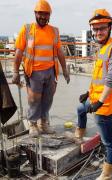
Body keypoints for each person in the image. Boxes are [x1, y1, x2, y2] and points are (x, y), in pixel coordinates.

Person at [74, 9, 112, 180]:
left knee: (109, 142)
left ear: (110, 27)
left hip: (105, 103)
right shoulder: (101, 48)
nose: (98, 32)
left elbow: (110, 79)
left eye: (102, 28)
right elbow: (99, 77)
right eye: (95, 29)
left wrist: (100, 102)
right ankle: (79, 134)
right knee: (80, 108)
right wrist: (88, 93)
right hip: (96, 98)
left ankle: (107, 174)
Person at [12, 0, 70, 137]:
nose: (43, 17)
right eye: (40, 14)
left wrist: (65, 70)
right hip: (33, 72)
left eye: (46, 14)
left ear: (49, 15)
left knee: (48, 99)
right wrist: (15, 72)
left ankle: (43, 123)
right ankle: (33, 124)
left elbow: (60, 52)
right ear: (35, 14)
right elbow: (19, 52)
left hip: (50, 71)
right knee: (34, 99)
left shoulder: (54, 31)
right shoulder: (27, 29)